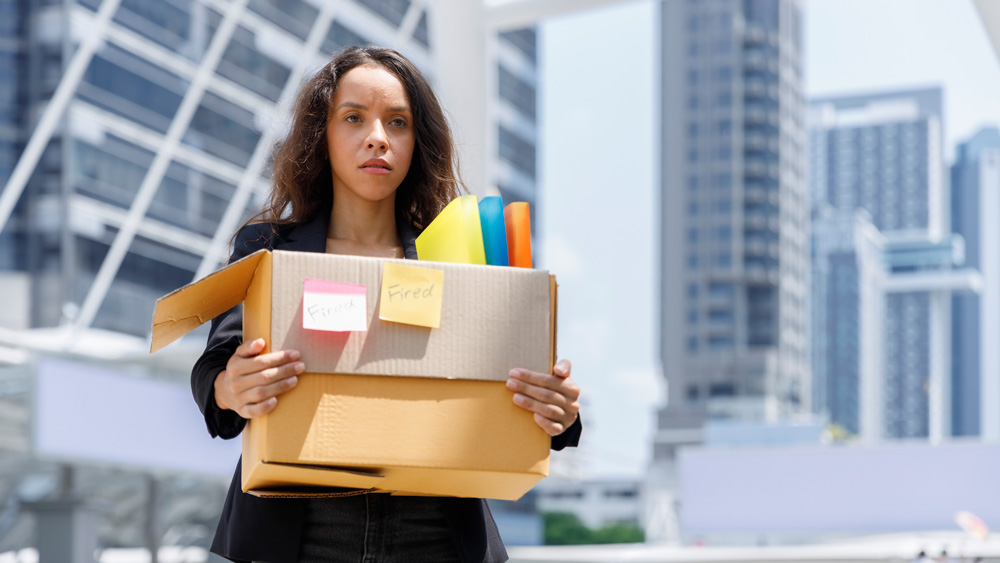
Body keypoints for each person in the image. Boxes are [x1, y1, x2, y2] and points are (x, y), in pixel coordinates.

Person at [190, 46, 582, 563]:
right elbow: (214, 368)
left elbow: (515, 377)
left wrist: (560, 412)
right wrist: (228, 387)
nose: (378, 137)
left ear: (415, 142)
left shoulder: (458, 254)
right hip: (301, 533)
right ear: (321, 135)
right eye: (353, 118)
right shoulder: (268, 250)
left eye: (397, 122)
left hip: (436, 531)